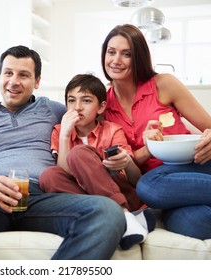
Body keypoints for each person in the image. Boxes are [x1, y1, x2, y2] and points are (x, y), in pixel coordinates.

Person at [0, 45, 126, 260]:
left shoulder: (54, 110)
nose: (14, 81)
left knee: (108, 212)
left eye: (24, 75)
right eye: (8, 73)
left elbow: (92, 106)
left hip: (41, 198)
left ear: (37, 82)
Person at [101, 24, 211, 240]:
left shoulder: (163, 84)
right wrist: (149, 148)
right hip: (165, 186)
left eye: (127, 54)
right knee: (200, 223)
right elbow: (125, 167)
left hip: (200, 163)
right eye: (111, 51)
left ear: (139, 57)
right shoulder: (103, 107)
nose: (116, 60)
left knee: (149, 187)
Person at [39, 73, 155, 250]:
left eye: (86, 101)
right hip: (87, 199)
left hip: (122, 194)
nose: (77, 107)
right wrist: (64, 136)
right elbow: (64, 172)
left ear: (101, 107)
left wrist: (126, 162)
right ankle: (114, 216)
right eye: (71, 101)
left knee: (79, 153)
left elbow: (135, 179)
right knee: (49, 176)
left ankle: (123, 215)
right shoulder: (59, 131)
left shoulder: (113, 130)